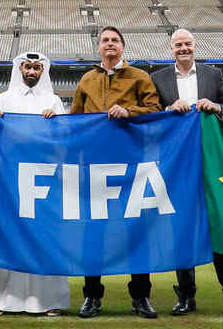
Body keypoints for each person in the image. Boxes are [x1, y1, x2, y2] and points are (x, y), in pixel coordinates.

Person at [147, 29, 223, 321]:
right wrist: (169, 109)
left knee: (220, 229)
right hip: (177, 165)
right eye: (178, 44)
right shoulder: (157, 78)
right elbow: (150, 115)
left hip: (211, 163)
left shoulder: (213, 74)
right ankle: (185, 296)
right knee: (181, 229)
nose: (183, 48)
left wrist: (217, 107)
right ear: (171, 48)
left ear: (195, 47)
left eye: (187, 44)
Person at [70, 26, 162, 319]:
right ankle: (92, 297)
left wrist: (128, 111)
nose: (110, 44)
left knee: (136, 231)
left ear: (123, 46)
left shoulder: (140, 77)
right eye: (105, 41)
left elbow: (156, 109)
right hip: (95, 166)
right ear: (99, 48)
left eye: (115, 40)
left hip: (132, 165)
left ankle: (141, 296)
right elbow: (75, 121)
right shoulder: (87, 78)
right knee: (93, 233)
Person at [0, 51, 70, 317]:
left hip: (45, 180)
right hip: (11, 180)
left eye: (37, 67)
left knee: (47, 236)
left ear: (42, 71)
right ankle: (2, 299)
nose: (32, 71)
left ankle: (51, 300)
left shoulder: (54, 100)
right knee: (9, 235)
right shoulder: (5, 99)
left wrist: (56, 122)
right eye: (28, 67)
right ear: (20, 69)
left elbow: (67, 140)